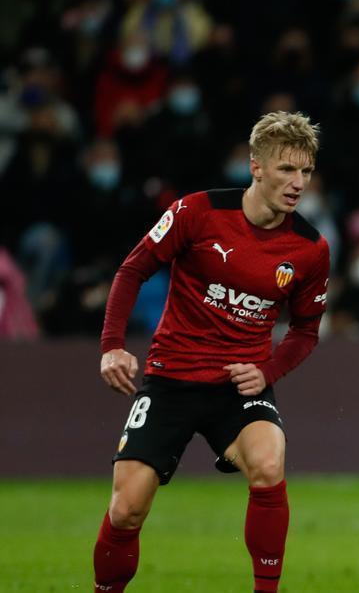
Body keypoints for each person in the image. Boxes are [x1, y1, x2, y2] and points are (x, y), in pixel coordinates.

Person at [93, 112, 331, 593]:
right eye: (286, 169)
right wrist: (113, 347)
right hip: (171, 378)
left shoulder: (310, 248)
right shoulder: (197, 213)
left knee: (269, 462)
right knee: (127, 508)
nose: (298, 183)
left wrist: (267, 371)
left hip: (236, 388)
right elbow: (133, 270)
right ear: (255, 167)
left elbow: (305, 331)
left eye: (305, 171)